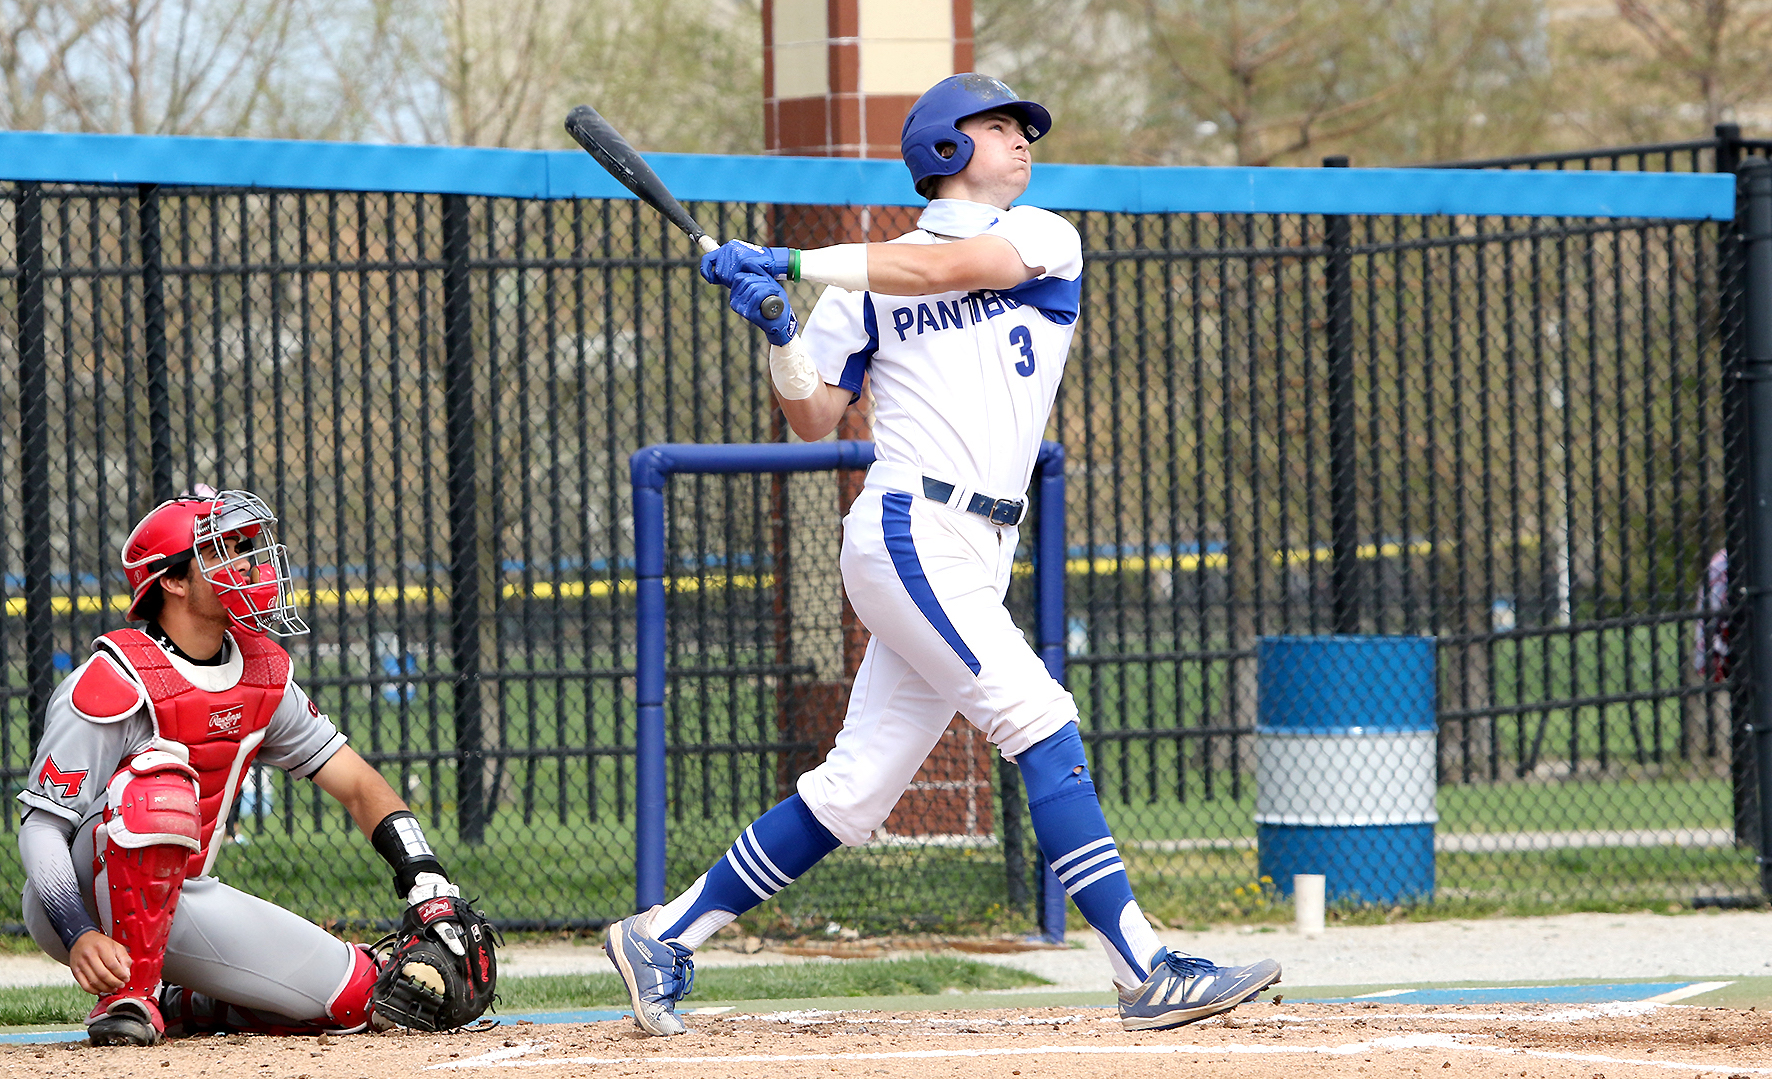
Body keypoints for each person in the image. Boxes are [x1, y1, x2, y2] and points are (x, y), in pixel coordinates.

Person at [603, 73, 1280, 1036]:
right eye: (999, 128)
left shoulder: (1039, 236)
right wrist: (779, 332)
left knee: (855, 789)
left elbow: (939, 272)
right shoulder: (858, 278)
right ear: (947, 149)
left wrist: (794, 260)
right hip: (908, 528)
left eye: (1019, 129)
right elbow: (811, 419)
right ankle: (1145, 963)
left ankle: (663, 934)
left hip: (980, 544)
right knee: (1040, 714)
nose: (1022, 142)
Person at [18, 488, 480, 1045]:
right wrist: (78, 933)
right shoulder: (112, 679)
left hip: (185, 896)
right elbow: (44, 827)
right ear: (173, 580)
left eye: (245, 547)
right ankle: (126, 997)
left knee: (371, 1000)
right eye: (221, 551)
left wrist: (426, 881)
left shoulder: (259, 670)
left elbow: (359, 785)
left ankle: (187, 1004)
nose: (247, 563)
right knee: (156, 789)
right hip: (82, 901)